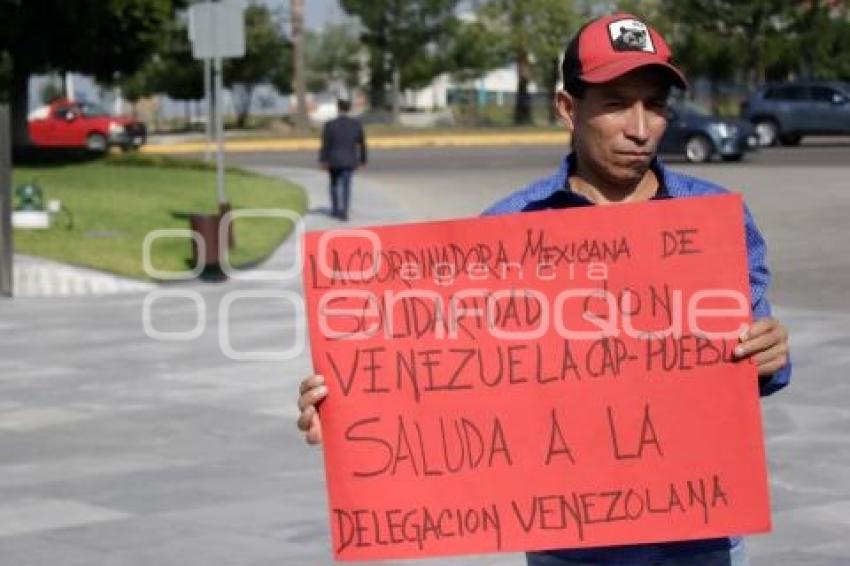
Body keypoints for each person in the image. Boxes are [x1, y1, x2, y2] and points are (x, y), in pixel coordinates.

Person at [298, 13, 791, 566]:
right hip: (570, 544)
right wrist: (347, 404)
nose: (641, 127)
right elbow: (446, 374)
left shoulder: (713, 220)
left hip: (699, 538)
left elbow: (758, 361)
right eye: (615, 103)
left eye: (654, 105)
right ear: (567, 109)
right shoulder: (507, 229)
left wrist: (770, 353)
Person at [319, 99, 367, 221]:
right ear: (349, 109)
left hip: (333, 159)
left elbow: (325, 144)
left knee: (334, 184)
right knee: (346, 185)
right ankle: (344, 210)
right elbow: (362, 144)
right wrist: (363, 159)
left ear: (338, 109)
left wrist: (323, 160)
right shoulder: (356, 124)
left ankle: (335, 209)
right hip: (349, 159)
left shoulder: (330, 124)